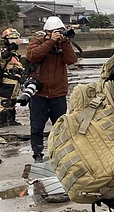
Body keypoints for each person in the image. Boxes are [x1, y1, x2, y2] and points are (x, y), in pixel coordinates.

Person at [25, 16, 79, 162]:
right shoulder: (36, 42)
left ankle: (60, 153)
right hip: (39, 93)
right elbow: (33, 55)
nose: (58, 34)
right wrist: (51, 41)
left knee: (61, 127)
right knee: (37, 126)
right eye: (55, 32)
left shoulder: (63, 45)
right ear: (47, 32)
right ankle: (37, 154)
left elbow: (72, 60)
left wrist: (64, 42)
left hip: (58, 93)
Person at [0, 28, 25, 127]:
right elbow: (4, 56)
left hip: (15, 81)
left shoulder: (15, 54)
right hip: (7, 80)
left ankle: (11, 120)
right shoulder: (3, 51)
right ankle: (3, 122)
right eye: (11, 39)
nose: (14, 40)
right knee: (5, 101)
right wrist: (11, 47)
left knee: (13, 100)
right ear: (6, 40)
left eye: (16, 38)